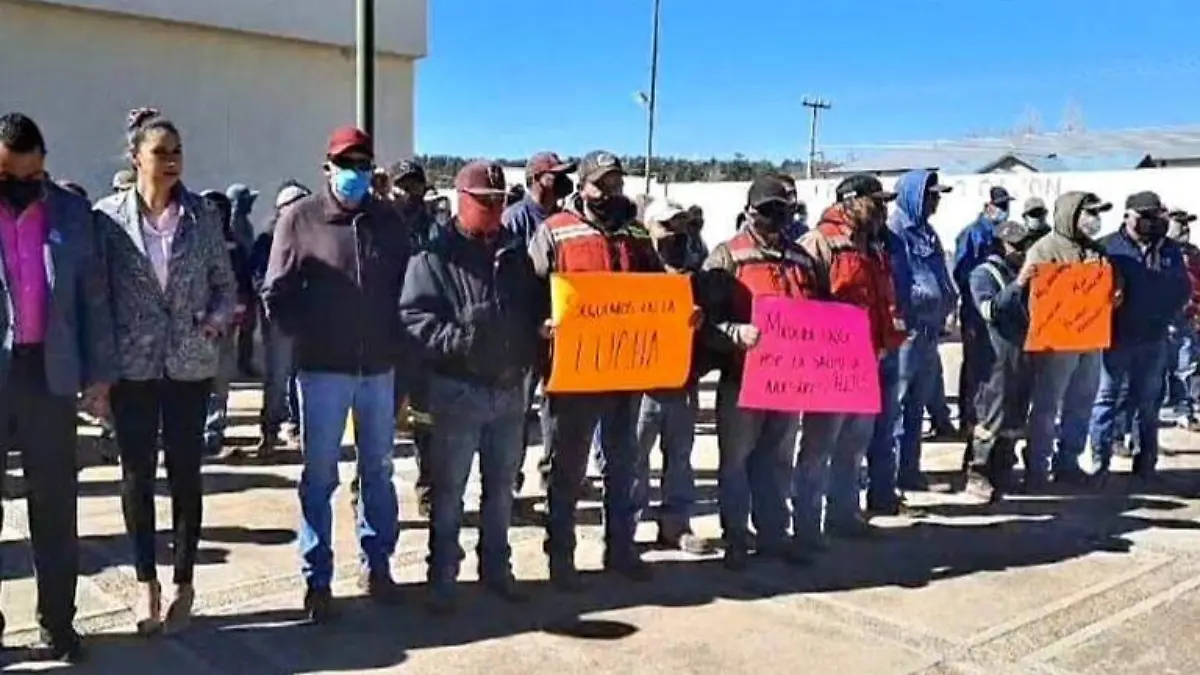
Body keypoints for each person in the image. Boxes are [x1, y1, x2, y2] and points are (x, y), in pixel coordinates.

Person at [93, 108, 236, 637]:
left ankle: (183, 582)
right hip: (132, 367)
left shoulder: (203, 217)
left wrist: (216, 323)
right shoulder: (106, 219)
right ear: (136, 159)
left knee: (185, 475)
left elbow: (226, 284)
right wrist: (100, 371)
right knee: (136, 476)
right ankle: (145, 582)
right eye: (161, 152)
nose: (172, 160)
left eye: (177, 151)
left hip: (189, 365)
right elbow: (97, 296)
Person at [262, 126, 412, 621]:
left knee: (379, 472)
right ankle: (317, 578)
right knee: (319, 476)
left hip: (379, 371)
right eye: (346, 164)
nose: (355, 173)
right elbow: (275, 292)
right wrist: (307, 336)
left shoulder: (387, 221)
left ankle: (379, 565)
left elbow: (404, 293)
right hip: (323, 371)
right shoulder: (300, 219)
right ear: (327, 167)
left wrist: (399, 357)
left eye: (363, 165)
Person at [400, 160, 543, 612]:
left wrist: (537, 333)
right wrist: (460, 341)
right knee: (449, 493)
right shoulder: (433, 256)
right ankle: (443, 577)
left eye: (499, 202)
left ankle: (496, 569)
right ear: (461, 200)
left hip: (508, 391)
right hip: (457, 389)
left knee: (501, 488)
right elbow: (413, 317)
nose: (493, 209)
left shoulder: (515, 253)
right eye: (484, 202)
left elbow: (531, 307)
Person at [0, 112, 115, 662]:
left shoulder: (70, 212)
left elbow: (93, 298)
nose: (23, 185)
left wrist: (100, 374)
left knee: (55, 505)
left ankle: (58, 621)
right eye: (10, 175)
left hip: (50, 374)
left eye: (32, 175)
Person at [527, 150, 661, 589]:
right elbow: (530, 291)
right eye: (600, 184)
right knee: (567, 470)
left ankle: (620, 549)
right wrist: (540, 326)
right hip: (574, 374)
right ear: (581, 186)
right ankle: (561, 559)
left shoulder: (637, 233)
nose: (609, 192)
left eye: (615, 183)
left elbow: (659, 289)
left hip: (625, 372)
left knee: (624, 466)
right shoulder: (554, 232)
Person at [702, 174, 827, 569]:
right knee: (736, 462)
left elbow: (823, 314)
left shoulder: (803, 260)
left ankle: (774, 535)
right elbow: (700, 320)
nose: (776, 220)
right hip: (742, 380)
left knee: (777, 462)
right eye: (768, 212)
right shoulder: (727, 256)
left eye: (784, 211)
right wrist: (733, 333)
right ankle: (736, 538)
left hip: (789, 383)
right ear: (749, 213)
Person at [795, 174, 906, 549]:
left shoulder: (872, 245)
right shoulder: (818, 243)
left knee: (854, 444)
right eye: (876, 201)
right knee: (818, 447)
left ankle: (844, 514)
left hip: (868, 360)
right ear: (851, 200)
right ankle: (807, 526)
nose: (883, 209)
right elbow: (801, 304)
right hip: (831, 365)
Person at [1089, 192, 1190, 485]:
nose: (1151, 222)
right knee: (1106, 400)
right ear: (1128, 216)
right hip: (1115, 338)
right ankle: (1100, 462)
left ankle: (1146, 463)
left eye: (1155, 216)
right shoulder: (1108, 248)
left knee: (1148, 403)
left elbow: (1181, 286)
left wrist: (1169, 317)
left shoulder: (1168, 249)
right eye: (1144, 216)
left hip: (1154, 338)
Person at [633, 198, 713, 555]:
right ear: (649, 228)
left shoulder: (696, 268)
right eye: (666, 225)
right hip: (642, 382)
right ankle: (626, 531)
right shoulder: (635, 265)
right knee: (633, 458)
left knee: (680, 457)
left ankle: (676, 526)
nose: (674, 233)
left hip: (682, 378)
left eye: (679, 225)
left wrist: (701, 317)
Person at [1020, 192, 1111, 487]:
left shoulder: (1096, 249)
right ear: (1070, 214)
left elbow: (1105, 286)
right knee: (1047, 405)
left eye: (1097, 213)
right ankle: (1037, 464)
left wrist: (1114, 292)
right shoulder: (1043, 250)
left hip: (1091, 340)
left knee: (1082, 402)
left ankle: (1068, 461)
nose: (1094, 219)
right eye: (1089, 212)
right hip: (1057, 344)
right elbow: (1032, 294)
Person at [962, 220, 1043, 500]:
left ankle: (1003, 470)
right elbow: (989, 310)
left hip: (1021, 354)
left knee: (1015, 415)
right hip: (994, 357)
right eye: (1016, 246)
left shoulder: (1023, 272)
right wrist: (1018, 284)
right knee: (990, 415)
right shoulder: (983, 274)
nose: (1022, 251)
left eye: (1025, 246)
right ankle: (978, 473)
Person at [887, 170, 957, 493]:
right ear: (914, 195)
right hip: (906, 332)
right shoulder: (894, 232)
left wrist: (948, 300)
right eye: (931, 195)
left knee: (918, 403)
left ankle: (910, 470)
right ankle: (890, 475)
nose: (937, 201)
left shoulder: (927, 233)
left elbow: (940, 272)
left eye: (938, 196)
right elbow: (895, 282)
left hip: (930, 330)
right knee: (896, 404)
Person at [250, 181, 310, 454]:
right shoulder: (266, 239)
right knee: (277, 375)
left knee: (303, 375)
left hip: (307, 317)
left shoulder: (313, 235)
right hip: (278, 318)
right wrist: (272, 303)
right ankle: (270, 429)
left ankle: (297, 427)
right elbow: (258, 277)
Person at [953, 186, 1014, 435]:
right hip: (975, 308)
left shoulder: (1003, 234)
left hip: (998, 309)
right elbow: (961, 271)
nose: (1003, 210)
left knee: (994, 366)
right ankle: (969, 418)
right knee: (974, 366)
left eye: (1006, 205)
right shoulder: (972, 234)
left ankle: (990, 414)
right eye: (999, 205)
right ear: (987, 206)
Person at [197, 189, 251, 458]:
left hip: (225, 325)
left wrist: (235, 314)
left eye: (220, 212)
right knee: (194, 381)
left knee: (219, 379)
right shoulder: (190, 244)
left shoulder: (234, 246)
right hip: (193, 325)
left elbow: (241, 283)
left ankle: (213, 432)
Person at [1165, 208, 1200, 431]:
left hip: (1186, 319)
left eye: (1187, 223)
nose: (1185, 227)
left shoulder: (1195, 253)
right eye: (1180, 223)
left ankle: (1185, 410)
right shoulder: (1160, 251)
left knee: (1186, 366)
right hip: (1160, 319)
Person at [227, 184, 260, 376]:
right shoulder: (230, 225)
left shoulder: (244, 223)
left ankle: (244, 363)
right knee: (232, 328)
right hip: (236, 285)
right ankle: (232, 366)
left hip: (247, 282)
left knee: (247, 327)